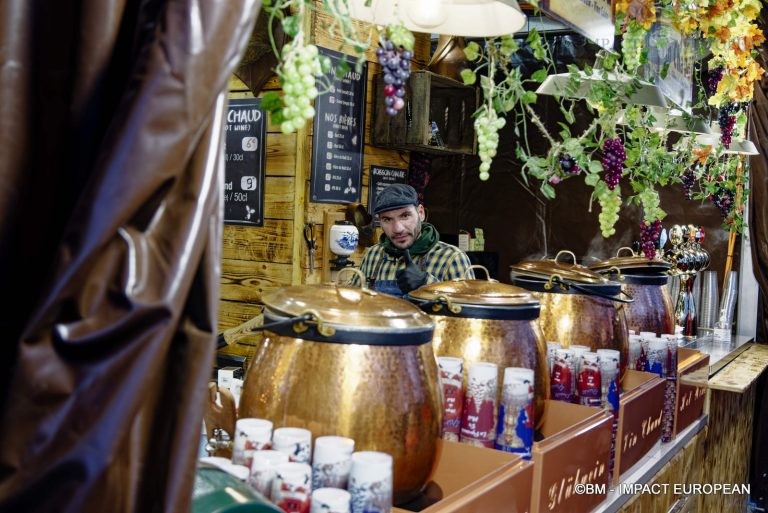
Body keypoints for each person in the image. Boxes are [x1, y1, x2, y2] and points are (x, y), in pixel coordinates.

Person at [354, 183, 474, 296]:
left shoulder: (451, 258)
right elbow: (350, 301)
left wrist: (426, 284)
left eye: (405, 216)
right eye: (387, 219)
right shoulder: (373, 255)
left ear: (421, 213)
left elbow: (472, 311)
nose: (398, 229)